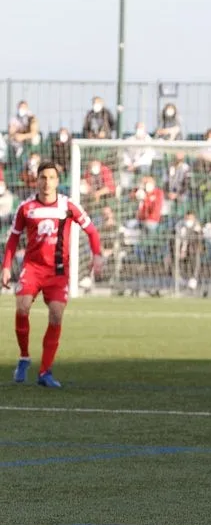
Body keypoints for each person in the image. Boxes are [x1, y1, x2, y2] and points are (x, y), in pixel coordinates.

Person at [1, 162, 103, 387]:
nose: (47, 182)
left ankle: (45, 372)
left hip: (58, 271)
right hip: (33, 268)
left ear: (57, 181)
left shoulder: (68, 206)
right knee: (22, 307)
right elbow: (13, 238)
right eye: (43, 177)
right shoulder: (26, 208)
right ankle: (24, 357)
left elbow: (92, 231)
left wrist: (97, 255)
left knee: (56, 315)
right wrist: (6, 266)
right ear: (37, 180)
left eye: (51, 178)